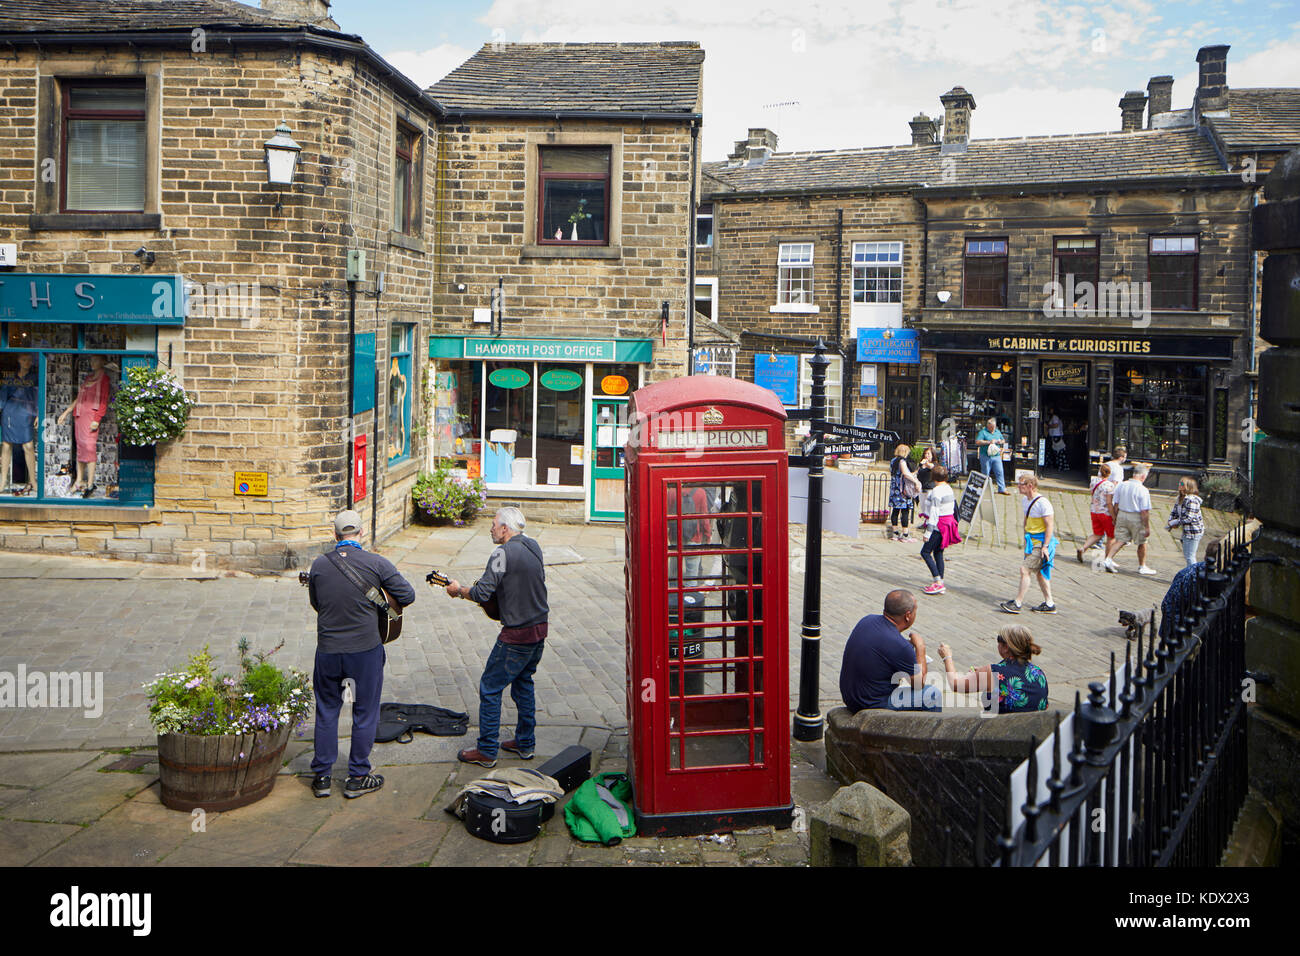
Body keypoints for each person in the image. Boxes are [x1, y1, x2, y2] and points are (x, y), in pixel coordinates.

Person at [306, 510, 416, 799]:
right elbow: (407, 595)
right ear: (362, 533)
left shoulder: (319, 565)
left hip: (328, 650)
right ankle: (357, 776)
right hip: (365, 651)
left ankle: (321, 777)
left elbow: (317, 603)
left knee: (327, 711)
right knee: (364, 712)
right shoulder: (376, 562)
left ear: (335, 535)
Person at [443, 507, 549, 768]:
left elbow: (482, 592)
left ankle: (487, 750)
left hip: (517, 635)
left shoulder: (501, 553)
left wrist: (458, 590)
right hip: (540, 629)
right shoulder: (533, 545)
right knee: (523, 682)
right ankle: (525, 743)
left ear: (505, 528)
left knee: (490, 688)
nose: (490, 529)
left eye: (493, 524)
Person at [839, 589, 939, 712]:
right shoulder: (900, 646)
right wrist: (920, 647)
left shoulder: (867, 620)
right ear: (908, 616)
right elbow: (919, 684)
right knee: (932, 694)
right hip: (871, 703)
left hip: (851, 697)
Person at [937, 626, 1049, 715]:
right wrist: (981, 674)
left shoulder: (992, 672)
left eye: (999, 639)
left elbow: (955, 684)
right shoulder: (1039, 673)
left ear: (1006, 647)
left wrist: (947, 657)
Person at [57, 354, 114, 497]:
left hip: (91, 416)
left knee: (89, 448)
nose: (92, 362)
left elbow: (103, 399)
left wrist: (98, 418)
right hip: (80, 415)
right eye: (91, 360)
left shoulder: (104, 379)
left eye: (96, 359)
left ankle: (90, 483)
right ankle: (79, 480)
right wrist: (67, 411)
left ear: (102, 361)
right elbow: (79, 397)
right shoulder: (89, 378)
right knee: (81, 448)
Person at [999, 473, 1057, 614]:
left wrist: (1045, 547)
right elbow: (1026, 521)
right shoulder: (1025, 501)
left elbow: (1049, 526)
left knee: (1025, 570)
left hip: (1042, 543)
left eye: (1021, 484)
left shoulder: (1043, 503)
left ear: (1030, 486)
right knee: (1040, 573)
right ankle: (1049, 603)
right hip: (1032, 542)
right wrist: (1026, 541)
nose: (1018, 486)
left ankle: (1018, 602)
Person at [1105, 463, 1156, 575]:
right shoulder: (1143, 490)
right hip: (1136, 517)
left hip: (1122, 514)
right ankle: (1142, 566)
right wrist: (1147, 527)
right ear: (1143, 476)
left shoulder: (1121, 485)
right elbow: (1144, 511)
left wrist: (1115, 517)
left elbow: (1116, 504)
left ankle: (1108, 559)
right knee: (1142, 542)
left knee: (1120, 540)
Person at [0, 353, 38, 496]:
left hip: (26, 412)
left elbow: (38, 395)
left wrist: (38, 413)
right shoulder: (10, 378)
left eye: (29, 360)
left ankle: (33, 480)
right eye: (23, 360)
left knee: (28, 446)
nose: (26, 362)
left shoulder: (34, 378)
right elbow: (3, 397)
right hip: (10, 412)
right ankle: (3, 480)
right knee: (6, 445)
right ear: (18, 360)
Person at [918, 464, 960, 595]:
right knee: (938, 553)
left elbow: (934, 513)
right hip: (948, 524)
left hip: (938, 526)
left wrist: (928, 532)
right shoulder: (948, 488)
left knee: (925, 552)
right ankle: (940, 580)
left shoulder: (936, 492)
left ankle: (937, 581)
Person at [1077, 461, 1117, 562]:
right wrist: (1114, 516)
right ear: (1109, 474)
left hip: (1094, 511)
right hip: (1105, 513)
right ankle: (1107, 559)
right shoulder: (1110, 485)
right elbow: (1108, 502)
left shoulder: (1093, 481)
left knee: (1097, 534)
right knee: (1111, 537)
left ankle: (1083, 548)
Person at [1166, 476, 1205, 568]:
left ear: (1188, 486)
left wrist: (1175, 522)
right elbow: (1174, 511)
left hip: (1193, 532)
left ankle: (1194, 576)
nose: (1179, 485)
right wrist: (1170, 521)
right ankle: (1191, 574)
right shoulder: (1180, 498)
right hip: (1186, 531)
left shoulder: (1192, 501)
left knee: (1190, 556)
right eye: (1179, 483)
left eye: (1182, 484)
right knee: (1187, 555)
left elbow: (1189, 518)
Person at [887, 444, 920, 542]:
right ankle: (905, 534)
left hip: (894, 489)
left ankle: (895, 532)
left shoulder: (893, 461)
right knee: (905, 510)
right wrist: (915, 481)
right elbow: (905, 474)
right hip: (902, 490)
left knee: (895, 510)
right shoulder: (902, 461)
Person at [975, 416, 1009, 494]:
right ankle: (985, 489)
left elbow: (1003, 440)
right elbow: (977, 442)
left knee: (999, 472)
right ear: (988, 426)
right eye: (991, 427)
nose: (993, 429)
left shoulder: (997, 432)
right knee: (985, 473)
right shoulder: (983, 432)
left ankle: (1002, 488)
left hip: (996, 455)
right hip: (986, 455)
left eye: (994, 427)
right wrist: (988, 442)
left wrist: (1000, 441)